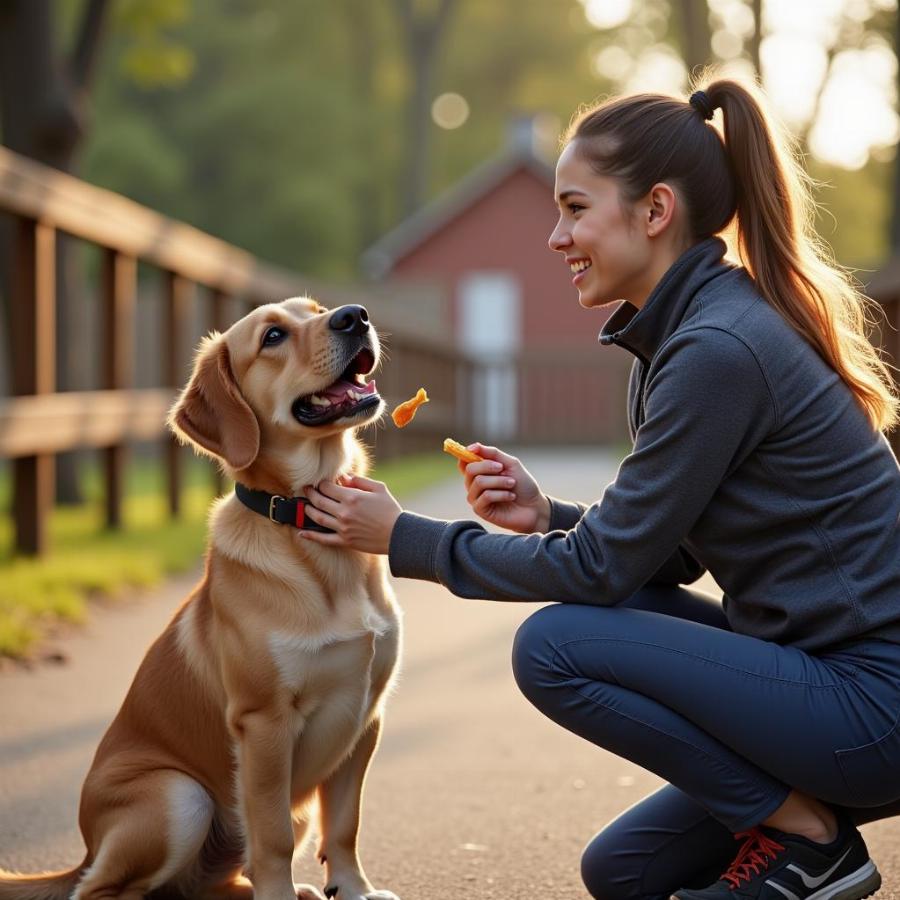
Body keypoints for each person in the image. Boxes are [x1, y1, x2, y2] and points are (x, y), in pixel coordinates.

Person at [299, 75, 900, 900]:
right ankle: (802, 836)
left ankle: (812, 843)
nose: (556, 237)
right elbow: (674, 557)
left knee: (554, 645)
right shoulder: (683, 337)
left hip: (872, 705)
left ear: (654, 212)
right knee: (624, 871)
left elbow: (601, 573)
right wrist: (550, 516)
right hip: (825, 690)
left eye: (575, 209)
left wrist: (410, 540)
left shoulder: (717, 348)